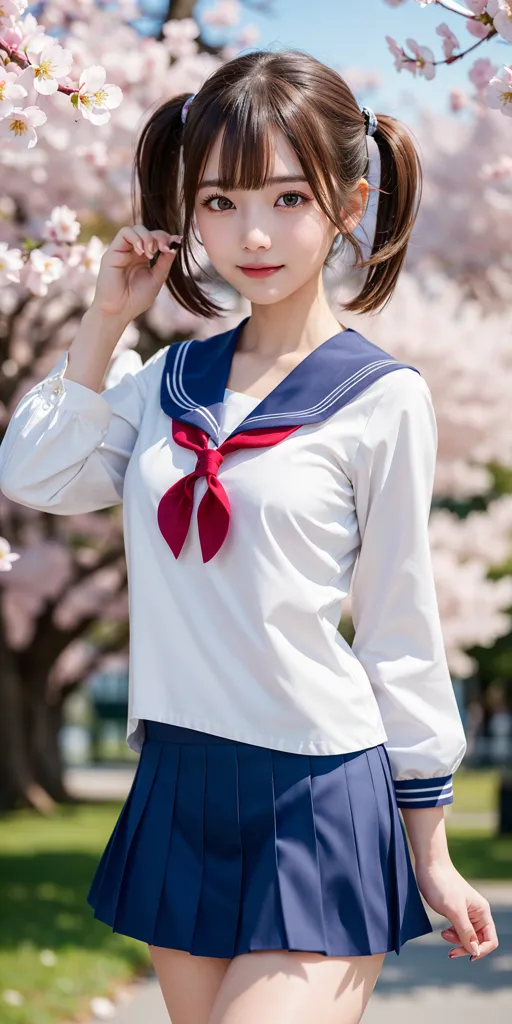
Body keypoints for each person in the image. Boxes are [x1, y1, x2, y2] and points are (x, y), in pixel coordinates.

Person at [0, 48, 498, 1024]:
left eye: (285, 197)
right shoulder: (162, 385)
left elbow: (399, 627)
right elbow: (34, 475)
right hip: (181, 780)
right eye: (220, 201)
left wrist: (427, 851)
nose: (252, 234)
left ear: (347, 204)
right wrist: (105, 325)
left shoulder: (382, 400)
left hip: (318, 789)